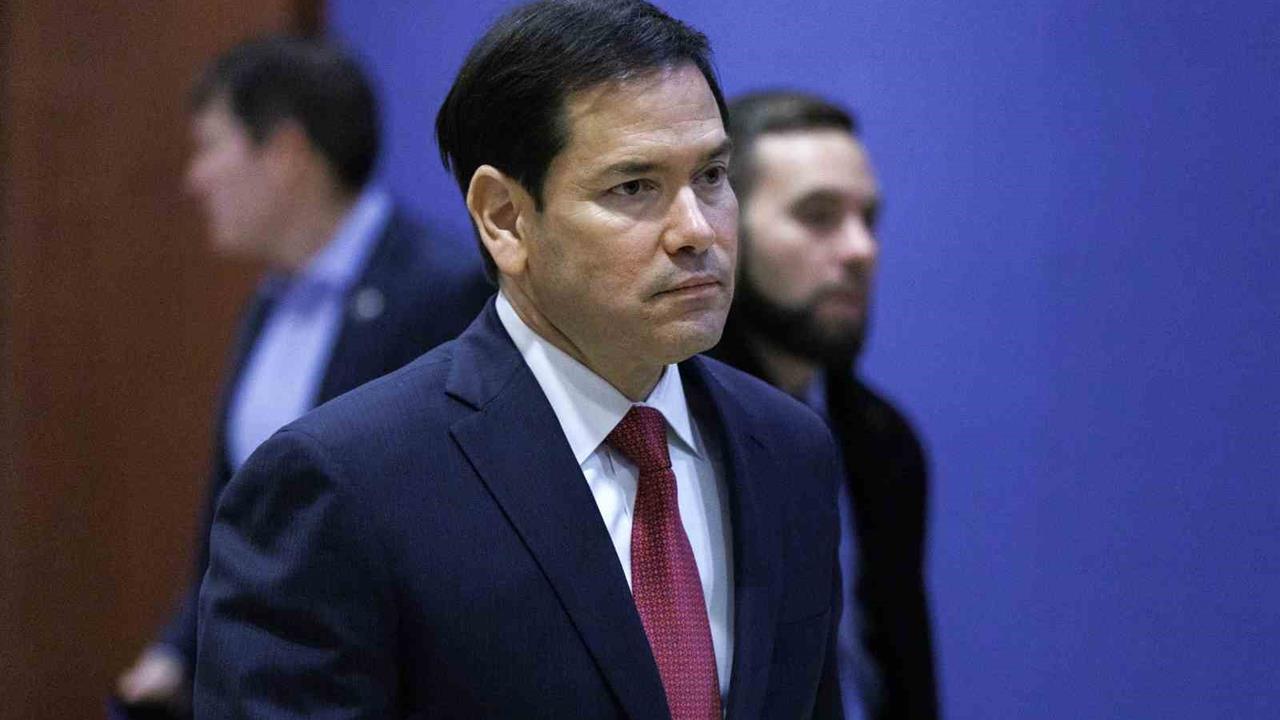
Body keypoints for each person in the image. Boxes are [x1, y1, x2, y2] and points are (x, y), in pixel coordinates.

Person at [193, 2, 845, 718]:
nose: (697, 229)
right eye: (634, 187)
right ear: (504, 218)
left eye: (713, 175)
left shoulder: (789, 450)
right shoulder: (344, 485)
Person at [114, 36, 491, 718]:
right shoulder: (271, 297)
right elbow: (242, 506)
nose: (195, 178)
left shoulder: (444, 289)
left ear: (286, 152)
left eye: (210, 146)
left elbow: (458, 533)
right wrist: (179, 647)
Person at [711, 90, 939, 719]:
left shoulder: (882, 438)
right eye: (819, 216)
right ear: (724, 230)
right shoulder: (674, 430)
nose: (861, 249)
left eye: (869, 218)